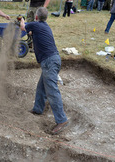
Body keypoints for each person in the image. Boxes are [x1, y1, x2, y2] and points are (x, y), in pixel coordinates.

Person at [20, 7, 68, 135]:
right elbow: (30, 33)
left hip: (49, 61)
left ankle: (62, 120)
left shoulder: (35, 24)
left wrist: (22, 19)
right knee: (41, 87)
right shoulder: (43, 26)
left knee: (51, 90)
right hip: (52, 60)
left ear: (36, 17)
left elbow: (22, 27)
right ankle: (38, 109)